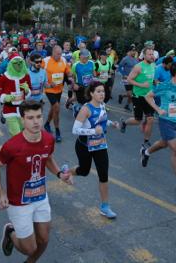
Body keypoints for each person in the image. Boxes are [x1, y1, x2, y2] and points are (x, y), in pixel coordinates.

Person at [0, 100, 73, 262]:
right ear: (22, 120)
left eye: (39, 117)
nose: (35, 121)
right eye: (30, 118)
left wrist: (59, 175)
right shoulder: (13, 146)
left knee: (43, 240)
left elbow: (47, 158)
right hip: (18, 202)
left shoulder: (49, 139)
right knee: (30, 248)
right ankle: (11, 233)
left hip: (40, 197)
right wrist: (1, 194)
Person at [71, 82, 120, 218]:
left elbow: (102, 121)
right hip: (84, 146)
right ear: (91, 93)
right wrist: (93, 130)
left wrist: (111, 124)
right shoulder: (86, 109)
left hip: (100, 145)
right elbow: (75, 130)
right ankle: (68, 172)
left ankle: (105, 206)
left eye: (103, 91)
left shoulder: (103, 105)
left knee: (103, 175)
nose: (102, 94)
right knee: (84, 171)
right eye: (98, 91)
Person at [142, 62, 176, 189]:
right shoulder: (164, 85)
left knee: (164, 143)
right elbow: (148, 97)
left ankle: (147, 152)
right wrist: (158, 110)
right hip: (166, 121)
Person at [120, 48, 157, 149]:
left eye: (152, 54)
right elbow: (129, 79)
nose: (151, 56)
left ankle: (146, 141)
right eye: (149, 54)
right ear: (144, 55)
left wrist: (155, 83)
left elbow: (151, 79)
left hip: (148, 96)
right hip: (138, 97)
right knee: (138, 120)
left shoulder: (153, 65)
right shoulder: (138, 67)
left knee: (150, 119)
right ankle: (124, 122)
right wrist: (141, 85)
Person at [0, 55, 32, 137]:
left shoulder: (26, 75)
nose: (18, 65)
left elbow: (30, 89)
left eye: (20, 63)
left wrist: (27, 91)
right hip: (9, 109)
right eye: (15, 63)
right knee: (16, 134)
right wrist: (4, 97)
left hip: (22, 109)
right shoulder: (6, 77)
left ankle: (18, 148)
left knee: (23, 132)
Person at [42, 45, 74, 142]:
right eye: (58, 54)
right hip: (49, 90)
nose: (59, 56)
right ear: (53, 53)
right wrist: (46, 83)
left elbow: (68, 71)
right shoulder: (46, 61)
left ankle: (47, 123)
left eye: (60, 54)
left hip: (59, 90)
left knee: (54, 108)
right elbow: (38, 72)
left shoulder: (63, 60)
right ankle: (57, 130)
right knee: (56, 107)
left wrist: (70, 74)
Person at [70, 49, 96, 114]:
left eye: (87, 56)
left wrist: (96, 79)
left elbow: (94, 73)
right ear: (80, 56)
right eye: (84, 56)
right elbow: (72, 77)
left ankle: (84, 114)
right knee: (81, 102)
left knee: (88, 101)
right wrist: (74, 85)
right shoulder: (75, 65)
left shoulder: (91, 63)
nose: (86, 58)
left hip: (89, 86)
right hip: (80, 86)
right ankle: (74, 107)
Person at [117, 45, 138, 111]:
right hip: (126, 79)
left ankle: (124, 101)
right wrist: (124, 74)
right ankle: (126, 103)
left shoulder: (136, 60)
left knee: (132, 94)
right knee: (130, 94)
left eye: (135, 51)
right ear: (129, 51)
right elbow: (119, 68)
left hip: (134, 79)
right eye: (133, 51)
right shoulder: (125, 59)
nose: (134, 52)